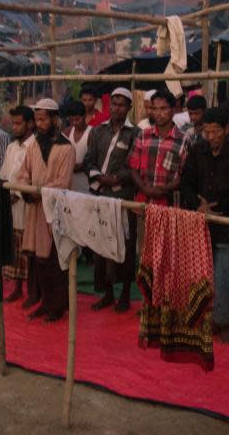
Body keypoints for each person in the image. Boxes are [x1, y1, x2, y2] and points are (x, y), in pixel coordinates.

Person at [180, 106, 229, 340]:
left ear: (226, 129)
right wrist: (198, 206)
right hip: (200, 224)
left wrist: (215, 207)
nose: (209, 137)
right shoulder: (197, 150)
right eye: (206, 132)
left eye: (215, 132)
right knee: (200, 276)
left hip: (225, 225)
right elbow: (186, 184)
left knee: (225, 274)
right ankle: (203, 317)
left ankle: (223, 322)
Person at [82, 87, 140, 312]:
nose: (116, 108)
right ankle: (106, 293)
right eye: (113, 103)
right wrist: (99, 178)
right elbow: (88, 160)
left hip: (122, 197)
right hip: (99, 194)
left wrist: (114, 179)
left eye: (121, 104)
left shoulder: (134, 134)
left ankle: (125, 294)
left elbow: (134, 165)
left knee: (124, 245)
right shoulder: (97, 132)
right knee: (100, 246)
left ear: (129, 107)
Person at [16, 99, 75, 321]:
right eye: (37, 119)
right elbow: (23, 174)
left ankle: (56, 306)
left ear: (54, 119)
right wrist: (26, 191)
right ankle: (45, 303)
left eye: (42, 119)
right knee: (39, 261)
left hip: (55, 213)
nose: (38, 124)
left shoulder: (66, 148)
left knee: (54, 261)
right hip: (35, 211)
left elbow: (63, 182)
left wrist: (38, 192)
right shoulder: (33, 145)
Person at [0, 105, 36, 302]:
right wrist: (6, 193)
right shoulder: (11, 147)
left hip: (27, 205)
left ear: (30, 124)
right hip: (10, 205)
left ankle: (32, 291)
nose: (15, 127)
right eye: (13, 123)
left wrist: (19, 194)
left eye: (18, 123)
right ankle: (17, 287)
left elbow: (35, 178)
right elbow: (4, 176)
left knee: (28, 249)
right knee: (14, 248)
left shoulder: (35, 147)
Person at [129, 89, 191, 206]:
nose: (158, 113)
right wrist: (145, 189)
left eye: (163, 109)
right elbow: (133, 168)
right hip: (142, 203)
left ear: (173, 110)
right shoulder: (143, 135)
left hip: (169, 205)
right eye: (155, 109)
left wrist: (161, 190)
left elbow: (184, 176)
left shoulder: (183, 140)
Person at [62, 100, 92, 192]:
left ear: (85, 116)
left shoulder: (92, 133)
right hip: (68, 183)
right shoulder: (67, 132)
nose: (74, 123)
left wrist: (82, 165)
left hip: (85, 184)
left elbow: (93, 158)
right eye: (71, 120)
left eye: (77, 119)